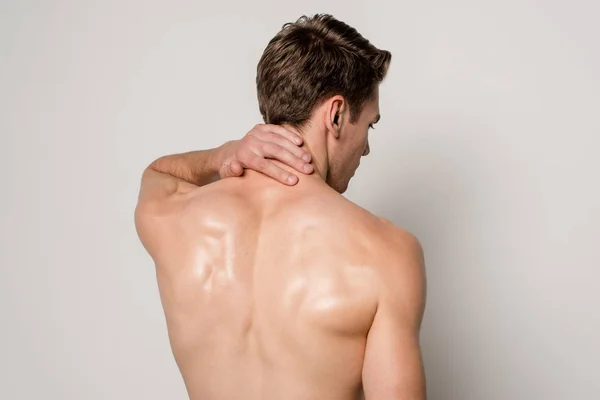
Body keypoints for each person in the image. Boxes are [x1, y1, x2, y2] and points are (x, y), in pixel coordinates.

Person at [135, 14, 426, 400]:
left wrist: (225, 155)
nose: (366, 147)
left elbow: (157, 172)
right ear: (336, 115)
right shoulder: (388, 253)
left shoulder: (174, 217)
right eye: (368, 125)